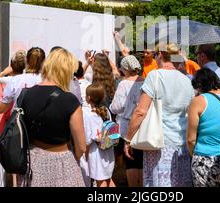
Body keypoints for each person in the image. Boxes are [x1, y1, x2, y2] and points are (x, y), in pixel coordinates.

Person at [124, 43, 195, 187]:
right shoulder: (187, 80)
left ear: (160, 55)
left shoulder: (155, 76)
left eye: (155, 55)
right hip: (182, 144)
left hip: (159, 143)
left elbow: (140, 111)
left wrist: (128, 139)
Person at [19, 48, 86, 187]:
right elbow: (81, 146)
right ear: (65, 70)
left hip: (32, 159)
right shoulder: (70, 100)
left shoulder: (26, 94)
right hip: (63, 162)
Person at [187, 68, 220, 187]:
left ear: (200, 85)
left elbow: (191, 139)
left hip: (205, 159)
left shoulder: (198, 101)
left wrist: (194, 155)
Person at [110, 55, 144, 187]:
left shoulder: (124, 84)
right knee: (141, 161)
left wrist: (112, 108)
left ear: (125, 68)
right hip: (142, 125)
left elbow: (116, 107)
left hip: (127, 127)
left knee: (130, 161)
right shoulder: (145, 81)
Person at [82, 84, 116, 187]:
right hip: (108, 150)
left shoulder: (88, 115)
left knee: (101, 181)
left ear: (88, 98)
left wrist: (85, 156)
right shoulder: (106, 110)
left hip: (97, 153)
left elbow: (87, 140)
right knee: (108, 179)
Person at [0, 47, 45, 114]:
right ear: (44, 62)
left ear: (26, 61)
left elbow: (0, 108)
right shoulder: (48, 80)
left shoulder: (16, 80)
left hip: (20, 121)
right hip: (41, 121)